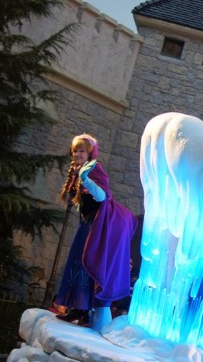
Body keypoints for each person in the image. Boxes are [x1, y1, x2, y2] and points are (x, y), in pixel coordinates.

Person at [55, 134, 137, 332]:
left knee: (87, 260)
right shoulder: (78, 170)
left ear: (89, 152)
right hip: (87, 223)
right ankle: (77, 306)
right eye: (75, 151)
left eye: (82, 150)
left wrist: (85, 179)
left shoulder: (94, 169)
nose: (77, 154)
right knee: (77, 261)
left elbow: (103, 196)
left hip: (98, 225)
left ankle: (86, 309)